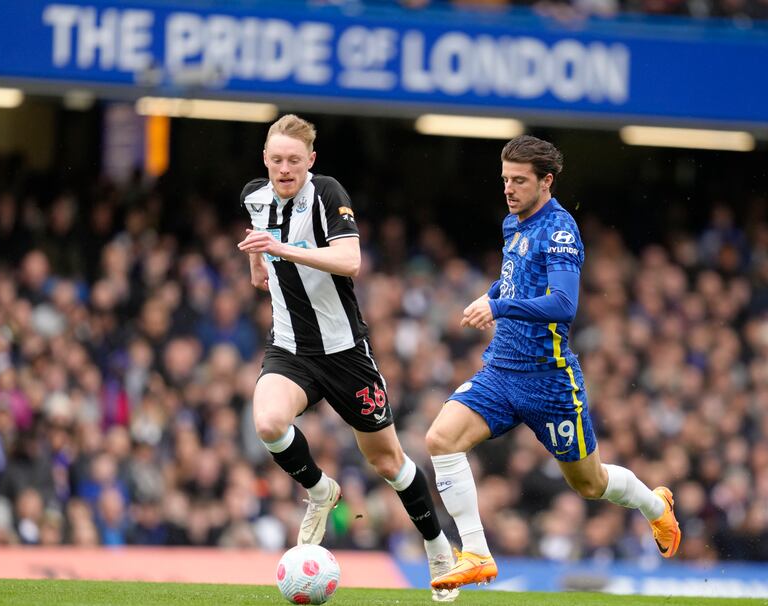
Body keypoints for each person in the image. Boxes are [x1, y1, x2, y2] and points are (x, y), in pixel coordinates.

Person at [426, 135, 681, 590]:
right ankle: (477, 553)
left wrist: (500, 308)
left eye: (519, 181)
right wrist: (491, 294)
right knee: (441, 439)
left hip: (550, 382)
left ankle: (655, 507)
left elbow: (563, 304)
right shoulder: (513, 223)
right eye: (505, 179)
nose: (509, 189)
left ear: (547, 181)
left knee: (589, 483)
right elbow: (514, 277)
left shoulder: (560, 231)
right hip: (502, 372)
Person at [237, 114, 458, 602]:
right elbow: (260, 276)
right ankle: (319, 490)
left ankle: (438, 547)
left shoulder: (328, 194)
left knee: (386, 461)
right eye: (276, 159)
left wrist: (282, 249)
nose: (284, 168)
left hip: (345, 355)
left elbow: (350, 261)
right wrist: (259, 255)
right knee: (268, 423)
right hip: (291, 350)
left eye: (294, 160)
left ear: (310, 161)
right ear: (265, 160)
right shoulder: (254, 197)